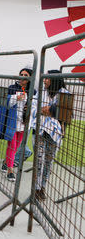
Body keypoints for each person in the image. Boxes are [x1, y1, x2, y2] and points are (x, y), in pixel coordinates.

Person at [0, 67, 32, 182]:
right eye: (21, 74)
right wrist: (16, 97)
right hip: (12, 122)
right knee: (12, 145)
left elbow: (34, 106)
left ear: (30, 78)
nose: (22, 77)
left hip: (24, 123)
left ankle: (6, 163)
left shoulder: (33, 91)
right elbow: (4, 102)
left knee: (16, 146)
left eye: (25, 75)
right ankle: (10, 170)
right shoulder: (12, 88)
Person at [31, 70, 69, 201]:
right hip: (39, 131)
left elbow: (66, 114)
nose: (44, 80)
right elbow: (33, 109)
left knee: (48, 162)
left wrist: (50, 109)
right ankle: (35, 188)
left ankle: (42, 187)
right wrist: (53, 110)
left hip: (56, 134)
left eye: (47, 78)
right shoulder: (40, 92)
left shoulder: (65, 94)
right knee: (39, 160)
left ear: (55, 80)